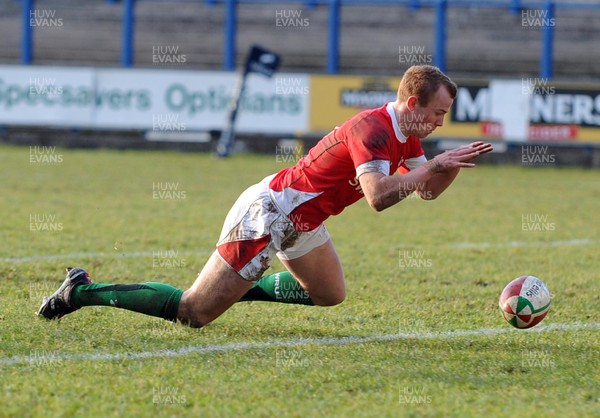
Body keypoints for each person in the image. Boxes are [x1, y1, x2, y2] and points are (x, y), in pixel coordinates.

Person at [37, 65, 493, 328]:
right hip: (271, 213)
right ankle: (81, 291)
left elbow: (427, 192)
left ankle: (237, 288)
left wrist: (446, 167)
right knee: (193, 313)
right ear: (413, 104)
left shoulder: (408, 135)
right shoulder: (372, 129)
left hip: (304, 221)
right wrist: (435, 163)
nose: (440, 121)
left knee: (329, 294)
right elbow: (376, 197)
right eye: (438, 112)